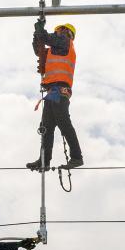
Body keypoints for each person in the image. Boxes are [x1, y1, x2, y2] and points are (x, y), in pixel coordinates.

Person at [27, 21, 83, 172]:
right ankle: (44, 160)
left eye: (62, 31)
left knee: (63, 121)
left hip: (60, 90)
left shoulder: (65, 42)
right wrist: (37, 34)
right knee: (46, 126)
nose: (60, 32)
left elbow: (47, 38)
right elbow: (38, 49)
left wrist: (41, 31)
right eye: (59, 30)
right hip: (53, 92)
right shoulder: (55, 49)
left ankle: (77, 157)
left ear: (68, 33)